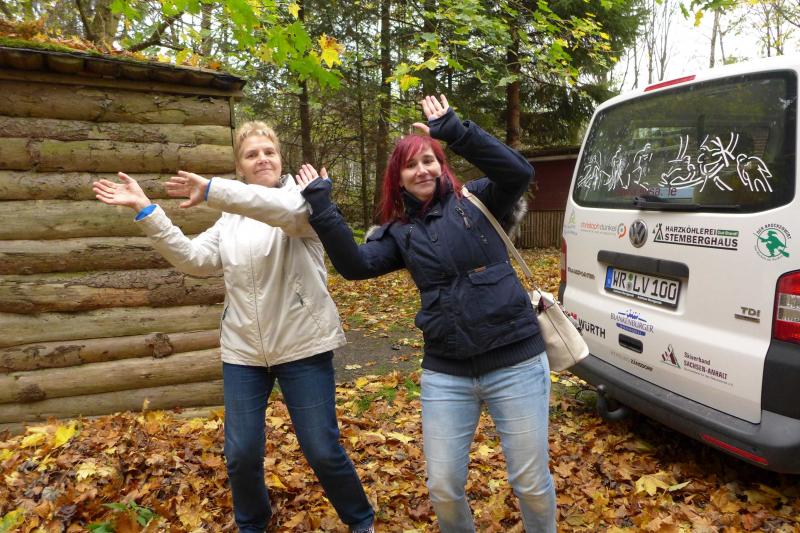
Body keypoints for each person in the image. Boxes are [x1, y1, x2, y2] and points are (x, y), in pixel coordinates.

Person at [92, 121, 375, 533]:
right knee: (240, 454)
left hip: (302, 346)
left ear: (280, 159)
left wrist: (213, 190)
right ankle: (252, 524)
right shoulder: (230, 220)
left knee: (321, 450)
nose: (262, 159)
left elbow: (279, 211)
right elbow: (193, 259)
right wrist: (148, 211)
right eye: (251, 154)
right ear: (240, 167)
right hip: (243, 351)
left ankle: (360, 519)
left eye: (269, 152)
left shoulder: (303, 202)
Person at [296, 95, 557, 532]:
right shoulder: (399, 232)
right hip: (447, 372)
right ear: (397, 178)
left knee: (529, 483)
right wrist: (322, 206)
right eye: (410, 165)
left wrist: (454, 130)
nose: (421, 170)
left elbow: (519, 172)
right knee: (443, 487)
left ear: (442, 165)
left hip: (516, 361)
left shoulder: (478, 199)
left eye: (429, 161)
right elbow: (354, 265)